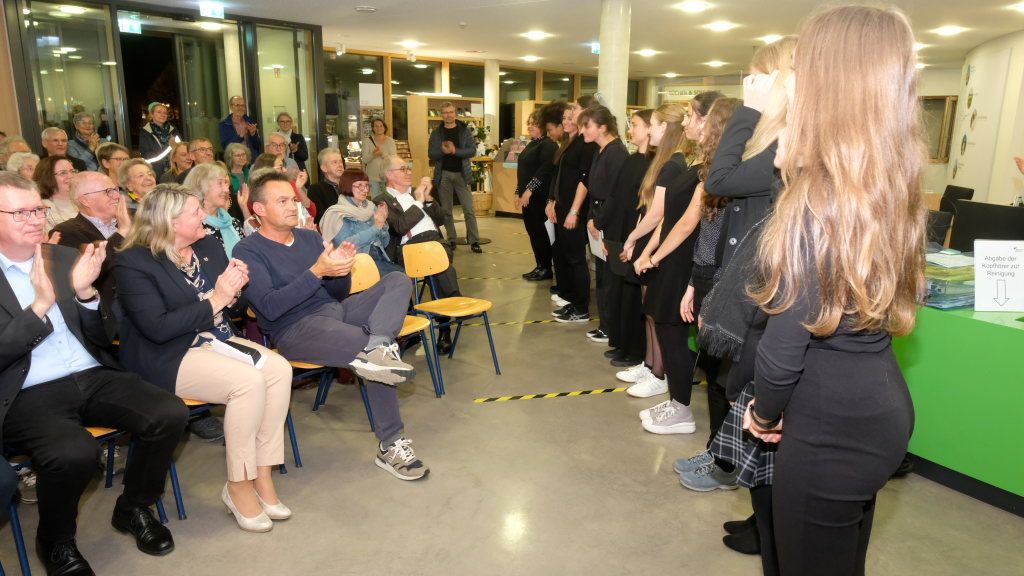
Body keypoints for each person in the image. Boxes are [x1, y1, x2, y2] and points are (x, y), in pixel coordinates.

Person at [744, 7, 924, 574]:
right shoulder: (889, 179)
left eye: (803, 69)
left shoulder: (818, 198)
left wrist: (764, 414)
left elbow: (782, 350)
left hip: (829, 429)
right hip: (879, 406)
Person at [0, 172, 187, 574]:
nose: (35, 219)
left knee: (169, 412)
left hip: (91, 373)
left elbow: (103, 336)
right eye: (20, 213)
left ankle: (133, 507)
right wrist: (40, 307)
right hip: (27, 390)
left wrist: (86, 294)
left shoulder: (62, 258)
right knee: (75, 452)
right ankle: (56, 541)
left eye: (38, 209)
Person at [115, 184, 293, 532]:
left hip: (218, 339)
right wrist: (217, 299)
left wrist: (238, 290)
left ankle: (262, 474)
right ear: (170, 221)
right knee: (247, 383)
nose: (204, 217)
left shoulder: (207, 245)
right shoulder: (134, 262)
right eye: (196, 212)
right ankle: (238, 485)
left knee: (279, 369)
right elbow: (158, 328)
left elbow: (235, 308)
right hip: (171, 353)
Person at [234, 170, 429, 481]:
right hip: (295, 328)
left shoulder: (309, 238)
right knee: (371, 356)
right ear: (259, 209)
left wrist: (341, 271)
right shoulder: (247, 250)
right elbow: (269, 308)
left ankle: (380, 344)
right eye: (282, 201)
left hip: (334, 310)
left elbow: (335, 294)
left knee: (397, 281)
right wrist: (317, 271)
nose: (292, 205)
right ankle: (391, 444)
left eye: (293, 199)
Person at [378, 154, 461, 354]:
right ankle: (452, 307)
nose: (409, 172)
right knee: (440, 263)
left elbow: (440, 220)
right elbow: (399, 227)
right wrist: (419, 202)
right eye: (403, 169)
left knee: (437, 256)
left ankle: (447, 321)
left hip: (435, 241)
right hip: (409, 249)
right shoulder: (382, 200)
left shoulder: (416, 193)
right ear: (389, 174)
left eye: (409, 168)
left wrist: (429, 198)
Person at [599, 109, 653, 368]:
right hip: (621, 232)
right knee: (621, 291)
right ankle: (622, 343)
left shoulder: (655, 164)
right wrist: (605, 228)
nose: (631, 130)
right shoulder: (631, 160)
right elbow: (615, 196)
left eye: (636, 125)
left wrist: (634, 239)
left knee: (633, 295)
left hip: (638, 234)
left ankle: (636, 350)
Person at [51, 171, 132, 341]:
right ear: (85, 200)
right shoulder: (66, 232)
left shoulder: (134, 218)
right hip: (115, 313)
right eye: (108, 191)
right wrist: (122, 233)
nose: (117, 195)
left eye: (116, 189)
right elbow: (92, 273)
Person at [579, 105, 629, 343]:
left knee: (610, 279)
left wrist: (599, 221)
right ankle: (605, 324)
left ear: (602, 127)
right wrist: (591, 217)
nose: (582, 131)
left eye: (586, 126)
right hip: (598, 217)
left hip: (610, 222)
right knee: (601, 276)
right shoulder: (599, 150)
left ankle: (611, 327)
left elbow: (615, 195)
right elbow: (593, 189)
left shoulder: (617, 153)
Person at [545, 100, 598, 323]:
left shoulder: (586, 144)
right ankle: (574, 301)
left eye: (574, 110)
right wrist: (554, 201)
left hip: (575, 210)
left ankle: (581, 307)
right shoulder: (573, 142)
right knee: (568, 255)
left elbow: (584, 181)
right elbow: (561, 177)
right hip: (565, 206)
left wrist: (574, 211)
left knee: (576, 259)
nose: (569, 116)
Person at [320, 169, 402, 275]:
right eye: (359, 185)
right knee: (402, 277)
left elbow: (384, 243)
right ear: (347, 185)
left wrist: (383, 226)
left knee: (404, 276)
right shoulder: (337, 213)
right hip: (357, 264)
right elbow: (346, 244)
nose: (365, 189)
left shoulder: (371, 207)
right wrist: (376, 228)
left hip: (379, 259)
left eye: (367, 185)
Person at [428, 101, 481, 253]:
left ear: (455, 113)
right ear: (441, 115)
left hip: (462, 175)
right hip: (443, 175)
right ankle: (451, 239)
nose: (448, 115)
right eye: (445, 112)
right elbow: (431, 154)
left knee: (469, 209)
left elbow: (472, 151)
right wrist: (443, 151)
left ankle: (474, 241)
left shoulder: (464, 131)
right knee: (446, 210)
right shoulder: (436, 133)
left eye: (451, 112)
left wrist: (454, 151)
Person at [515, 111, 557, 281]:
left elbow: (544, 171)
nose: (530, 126)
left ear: (543, 125)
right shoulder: (533, 143)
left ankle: (546, 267)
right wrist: (518, 191)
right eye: (529, 123)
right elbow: (524, 170)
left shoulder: (548, 145)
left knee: (541, 233)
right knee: (533, 232)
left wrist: (529, 190)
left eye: (534, 123)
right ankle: (540, 265)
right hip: (529, 198)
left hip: (539, 197)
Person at [185, 162, 246, 257]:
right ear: (201, 186)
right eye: (220, 183)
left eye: (226, 183)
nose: (226, 190)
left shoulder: (233, 223)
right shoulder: (194, 228)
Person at [34, 156, 79, 233]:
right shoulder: (43, 207)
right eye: (63, 173)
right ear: (47, 177)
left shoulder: (84, 199)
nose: (71, 176)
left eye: (72, 171)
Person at [139, 103, 181, 177]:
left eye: (165, 113)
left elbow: (181, 149)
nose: (163, 115)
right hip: (156, 172)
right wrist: (169, 146)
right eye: (159, 112)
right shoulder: (145, 132)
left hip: (175, 170)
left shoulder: (173, 130)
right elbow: (147, 156)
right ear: (151, 115)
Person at [219, 95, 262, 161]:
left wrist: (253, 134)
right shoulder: (224, 124)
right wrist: (240, 136)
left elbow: (257, 145)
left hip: (250, 159)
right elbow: (225, 146)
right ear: (231, 107)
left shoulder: (250, 121)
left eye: (243, 105)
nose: (241, 108)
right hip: (234, 161)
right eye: (238, 105)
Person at [361, 118, 397, 198]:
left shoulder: (390, 141)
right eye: (376, 126)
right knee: (376, 200)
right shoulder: (367, 141)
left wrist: (382, 154)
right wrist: (373, 154)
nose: (379, 128)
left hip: (388, 176)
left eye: (381, 126)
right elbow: (364, 160)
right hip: (373, 177)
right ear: (373, 128)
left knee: (389, 199)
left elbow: (394, 160)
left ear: (384, 127)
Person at [307, 147, 344, 224]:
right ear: (324, 168)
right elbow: (318, 217)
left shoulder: (351, 185)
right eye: (335, 162)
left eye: (341, 162)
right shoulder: (315, 189)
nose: (340, 165)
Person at [224, 142, 251, 220]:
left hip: (249, 208)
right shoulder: (226, 175)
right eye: (238, 155)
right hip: (234, 212)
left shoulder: (249, 172)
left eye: (243, 154)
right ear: (230, 158)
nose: (242, 157)